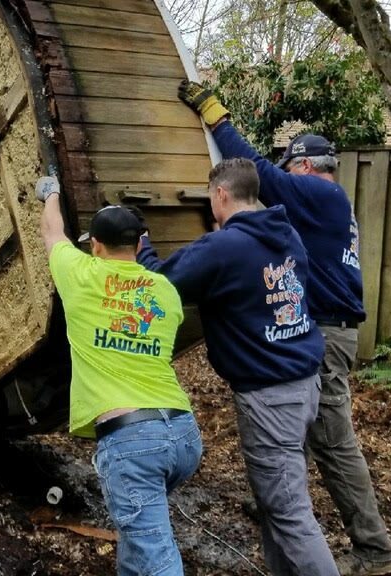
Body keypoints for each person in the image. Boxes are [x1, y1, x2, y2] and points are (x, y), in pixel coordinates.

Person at [178, 80, 391, 576]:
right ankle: (291, 532)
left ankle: (373, 550)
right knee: (296, 447)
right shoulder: (326, 204)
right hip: (322, 331)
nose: (284, 179)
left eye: (289, 169)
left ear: (304, 167)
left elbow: (261, 181)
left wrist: (217, 118)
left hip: (326, 335)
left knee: (333, 445)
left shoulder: (321, 194)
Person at [138, 158, 337, 576]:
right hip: (304, 382)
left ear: (221, 195)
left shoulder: (223, 248)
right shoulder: (286, 235)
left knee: (288, 511)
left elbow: (160, 283)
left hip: (270, 396)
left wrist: (143, 245)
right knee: (276, 501)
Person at [35, 175, 203, 576]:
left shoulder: (80, 275)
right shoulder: (164, 291)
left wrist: (51, 192)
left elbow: (51, 231)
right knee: (138, 538)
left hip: (132, 444)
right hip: (182, 435)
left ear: (94, 245)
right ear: (140, 244)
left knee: (156, 554)